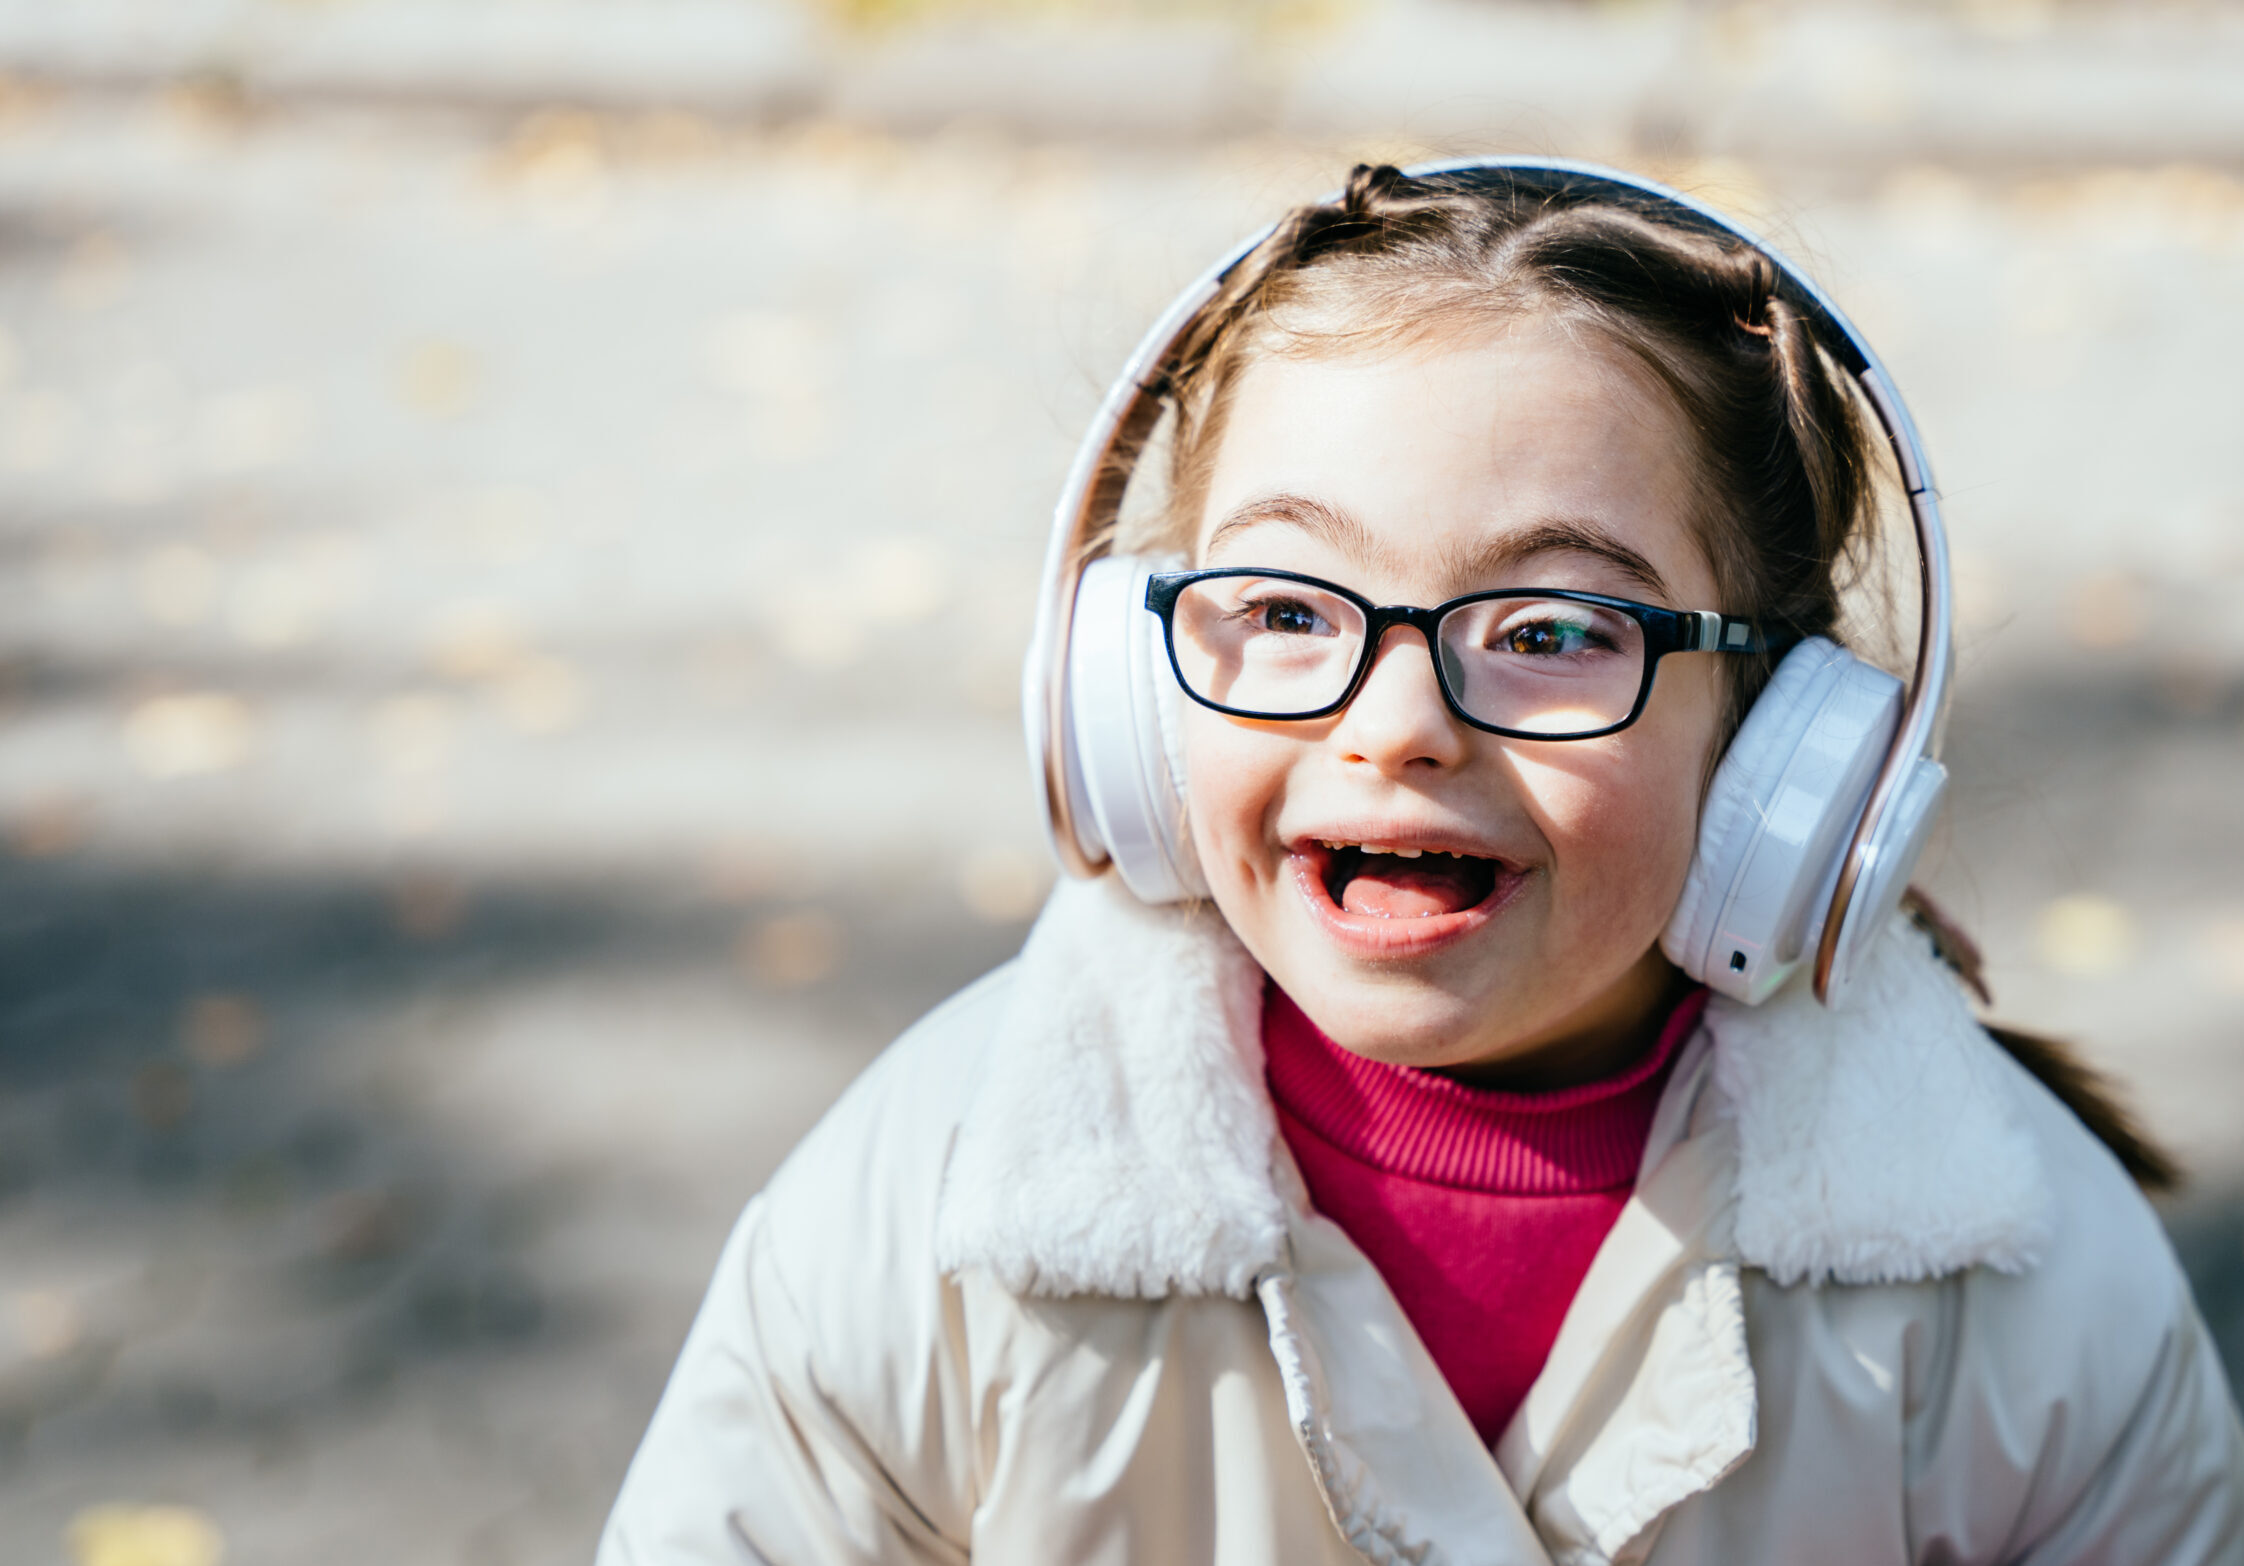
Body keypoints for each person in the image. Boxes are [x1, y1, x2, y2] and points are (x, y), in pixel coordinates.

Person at [599, 162, 2244, 1564]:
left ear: (1781, 749)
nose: (1395, 728)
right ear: (1126, 684)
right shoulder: (926, 1208)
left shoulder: (2023, 1296)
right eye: (1291, 610)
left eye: (1550, 629)